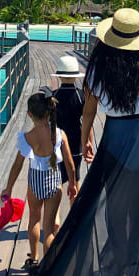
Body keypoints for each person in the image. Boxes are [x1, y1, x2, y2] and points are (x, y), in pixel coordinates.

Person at [35, 8, 139, 276]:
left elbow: (89, 112)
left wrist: (85, 138)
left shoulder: (99, 70)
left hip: (116, 136)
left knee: (114, 209)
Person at [1, 92, 78, 268]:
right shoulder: (59, 134)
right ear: (50, 112)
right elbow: (70, 164)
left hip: (34, 182)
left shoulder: (27, 137)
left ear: (30, 114)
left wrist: (9, 188)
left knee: (34, 220)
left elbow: (17, 166)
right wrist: (72, 184)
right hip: (53, 182)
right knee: (49, 228)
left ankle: (34, 259)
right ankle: (49, 266)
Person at [49, 55, 93, 211]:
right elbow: (88, 121)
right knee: (76, 179)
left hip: (57, 144)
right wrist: (88, 142)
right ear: (75, 76)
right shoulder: (81, 96)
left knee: (57, 181)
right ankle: (73, 217)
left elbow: (49, 123)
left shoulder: (53, 97)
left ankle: (55, 219)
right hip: (76, 143)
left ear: (60, 76)